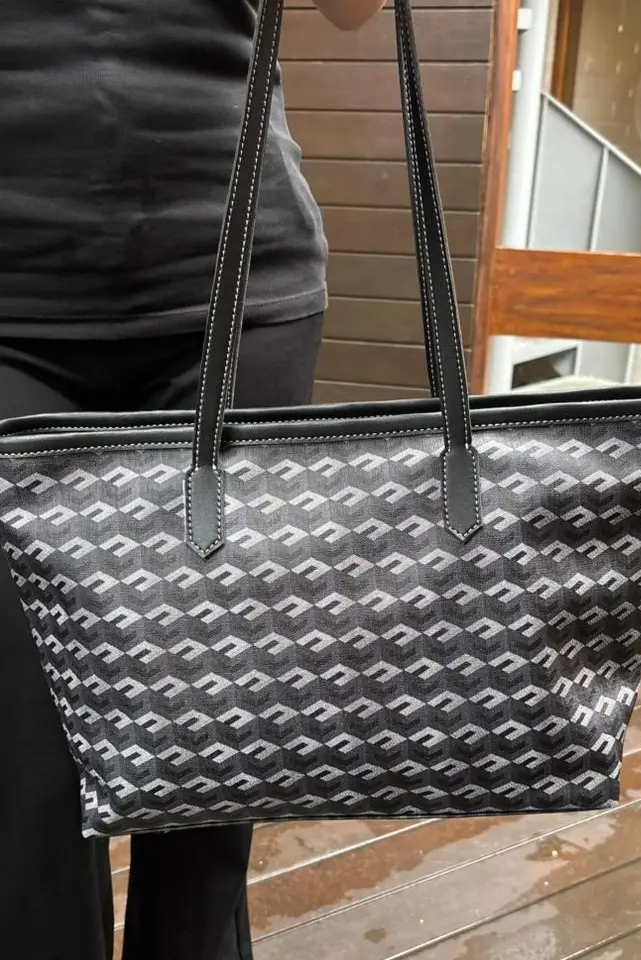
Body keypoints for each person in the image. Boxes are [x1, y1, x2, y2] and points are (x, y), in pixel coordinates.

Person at [0, 1, 386, 957]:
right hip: (13, 304)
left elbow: (353, 9)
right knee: (24, 761)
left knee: (219, 733)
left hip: (236, 284)